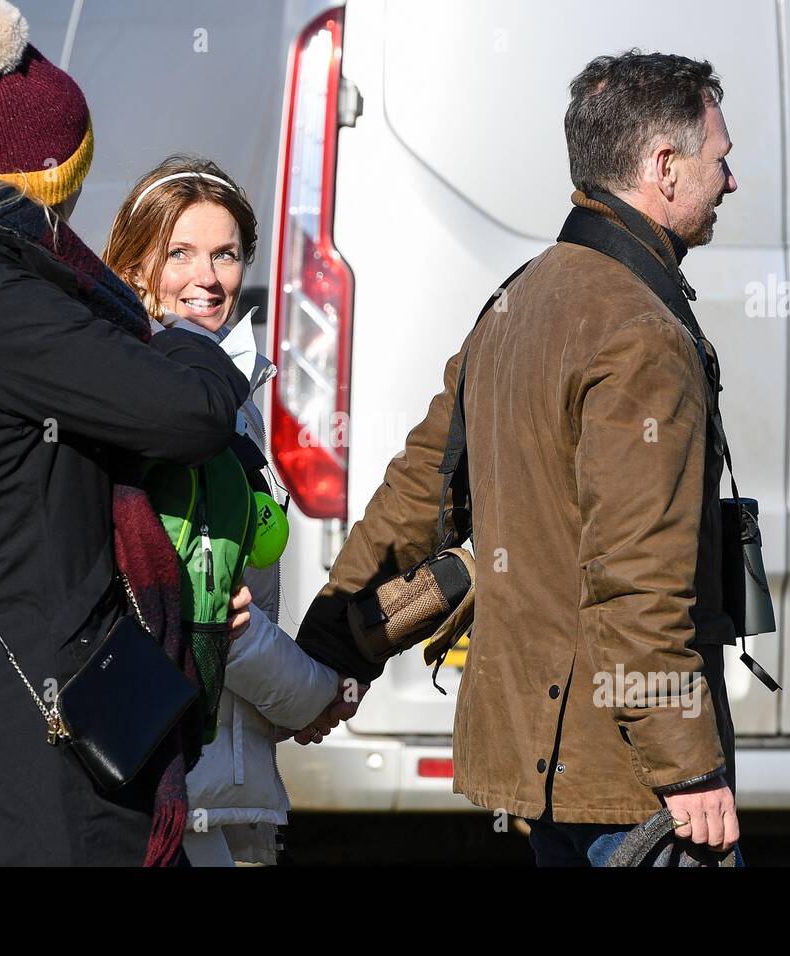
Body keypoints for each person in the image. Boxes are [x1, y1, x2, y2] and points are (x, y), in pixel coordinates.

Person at [295, 50, 746, 866]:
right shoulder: (641, 334)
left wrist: (326, 649)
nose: (732, 180)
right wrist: (689, 770)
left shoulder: (518, 299)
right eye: (721, 158)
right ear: (664, 166)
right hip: (634, 789)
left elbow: (414, 491)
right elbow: (637, 577)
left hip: (546, 775)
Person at [0, 0, 250, 866]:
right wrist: (200, 346)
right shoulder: (5, 308)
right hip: (30, 739)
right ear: (46, 181)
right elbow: (189, 414)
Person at [102, 156, 361, 866]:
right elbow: (215, 613)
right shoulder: (168, 401)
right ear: (133, 264)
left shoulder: (223, 386)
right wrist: (313, 696)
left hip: (206, 784)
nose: (206, 278)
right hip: (177, 795)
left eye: (224, 254)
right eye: (177, 253)